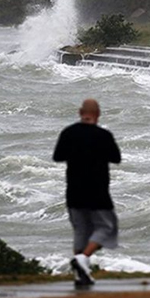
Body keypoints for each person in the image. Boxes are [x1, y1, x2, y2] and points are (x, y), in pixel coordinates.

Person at [53, 99, 121, 287]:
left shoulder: (68, 133)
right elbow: (116, 158)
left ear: (80, 112)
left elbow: (58, 156)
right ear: (98, 114)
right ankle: (83, 258)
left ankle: (80, 275)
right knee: (107, 227)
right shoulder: (103, 135)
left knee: (80, 231)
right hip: (97, 191)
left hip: (74, 190)